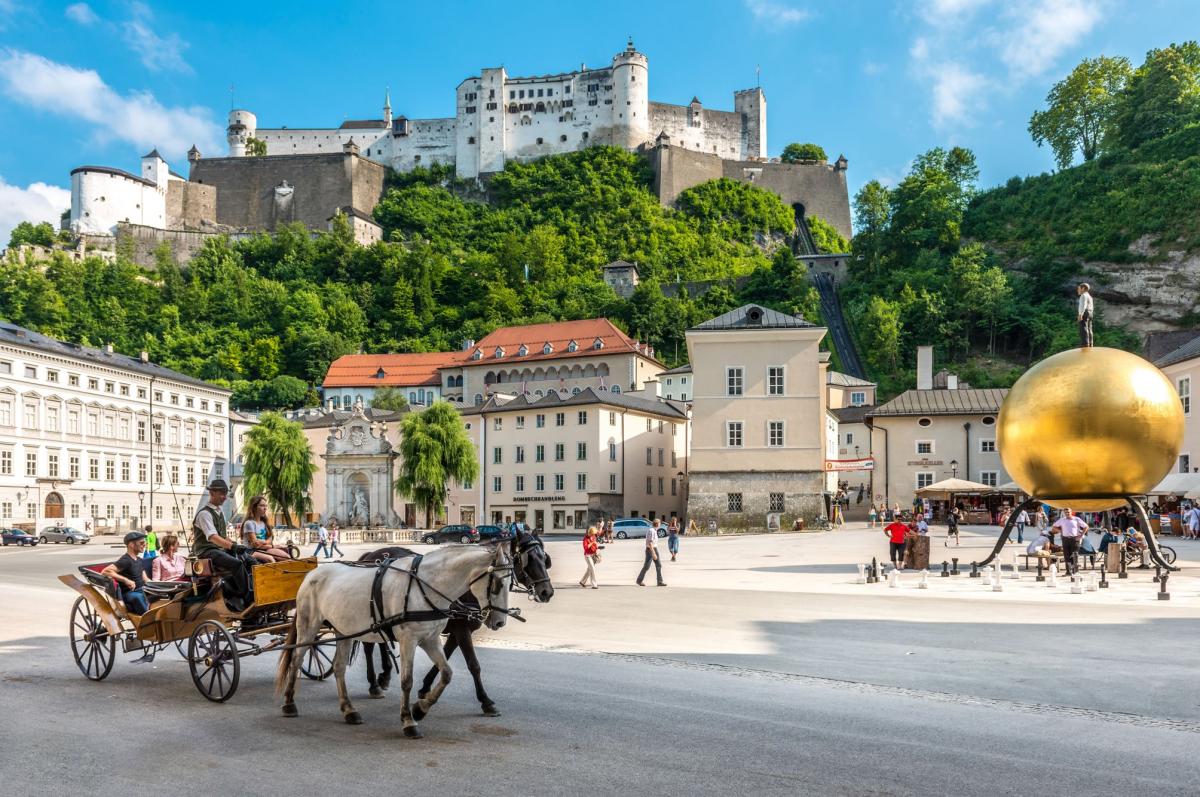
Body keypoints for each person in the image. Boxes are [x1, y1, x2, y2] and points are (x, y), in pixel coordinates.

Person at [192, 479, 255, 612]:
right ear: (212, 493)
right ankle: (247, 597)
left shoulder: (219, 512)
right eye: (222, 493)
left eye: (225, 494)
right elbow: (213, 537)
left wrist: (235, 544)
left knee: (250, 560)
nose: (225, 497)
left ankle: (253, 588)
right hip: (207, 552)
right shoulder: (204, 514)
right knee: (237, 564)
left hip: (218, 549)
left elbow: (222, 536)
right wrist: (232, 547)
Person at [102, 531, 151, 614]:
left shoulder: (139, 560)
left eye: (145, 543)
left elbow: (146, 579)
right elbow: (105, 571)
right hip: (130, 593)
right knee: (138, 597)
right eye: (141, 543)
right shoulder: (126, 560)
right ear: (131, 544)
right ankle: (148, 621)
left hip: (142, 589)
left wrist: (159, 586)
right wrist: (126, 580)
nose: (144, 545)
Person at [241, 495, 291, 563]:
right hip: (251, 551)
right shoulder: (249, 523)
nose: (265, 508)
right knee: (270, 559)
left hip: (264, 548)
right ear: (254, 507)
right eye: (261, 505)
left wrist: (262, 542)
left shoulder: (264, 523)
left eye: (265, 506)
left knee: (287, 557)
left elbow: (269, 540)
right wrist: (272, 546)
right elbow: (256, 545)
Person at [1052, 508, 1088, 576]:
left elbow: (1086, 526)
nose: (1067, 514)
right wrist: (1060, 531)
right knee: (1066, 555)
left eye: (1068, 512)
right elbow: (1054, 527)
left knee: (1074, 555)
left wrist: (1081, 536)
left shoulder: (1076, 519)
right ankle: (1068, 572)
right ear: (1064, 513)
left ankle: (1075, 571)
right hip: (1065, 539)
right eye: (1066, 512)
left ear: (1071, 512)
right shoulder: (1062, 520)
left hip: (1074, 539)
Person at [637, 520, 666, 586]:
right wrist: (653, 553)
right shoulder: (651, 531)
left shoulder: (654, 530)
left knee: (657, 565)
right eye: (660, 523)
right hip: (651, 549)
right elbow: (650, 543)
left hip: (653, 549)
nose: (660, 525)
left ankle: (659, 581)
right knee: (648, 566)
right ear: (657, 524)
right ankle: (639, 580)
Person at [1077, 282, 1094, 348]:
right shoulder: (1090, 296)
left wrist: (1080, 314)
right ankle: (1090, 343)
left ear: (1083, 288)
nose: (1078, 290)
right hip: (1090, 313)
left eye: (1079, 288)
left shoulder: (1083, 295)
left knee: (1083, 328)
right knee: (1089, 328)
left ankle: (1085, 344)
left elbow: (1083, 305)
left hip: (1085, 312)